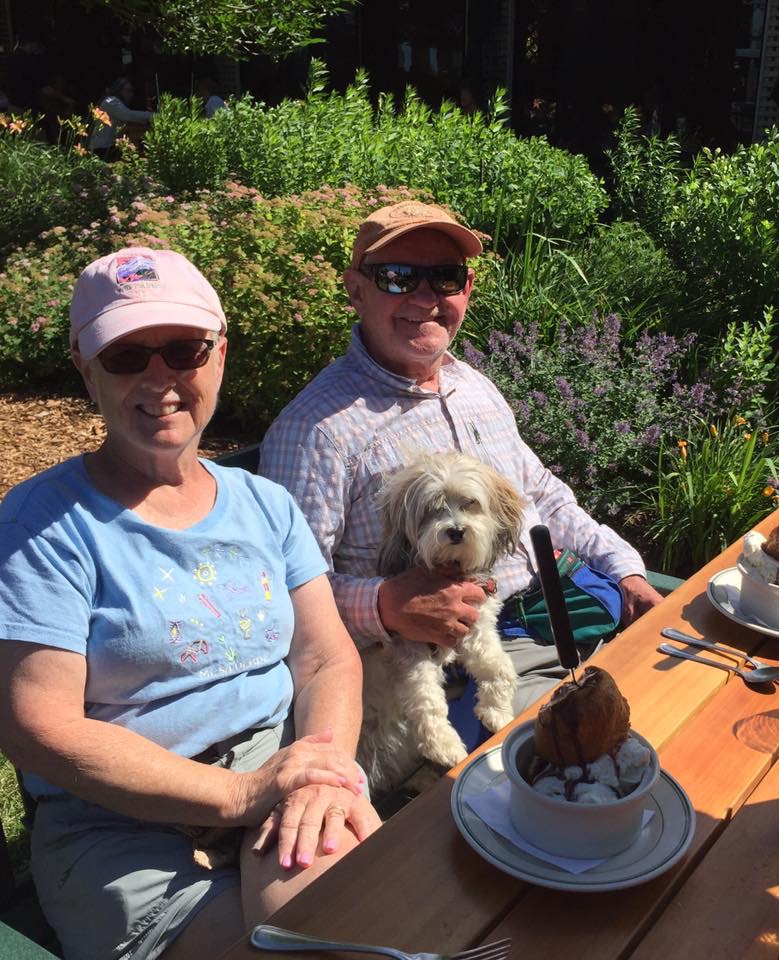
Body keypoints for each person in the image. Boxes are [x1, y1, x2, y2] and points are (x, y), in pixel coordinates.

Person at [0, 248, 380, 960]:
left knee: (363, 926)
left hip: (280, 769)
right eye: (126, 357)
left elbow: (326, 658)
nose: (159, 379)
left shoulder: (266, 506)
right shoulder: (43, 526)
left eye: (182, 350)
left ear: (219, 354)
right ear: (86, 370)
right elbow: (35, 727)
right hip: (121, 826)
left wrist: (320, 767)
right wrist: (239, 796)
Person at [259, 201, 664, 749]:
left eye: (444, 277)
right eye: (398, 277)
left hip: (551, 615)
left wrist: (627, 571)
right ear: (356, 290)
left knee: (669, 698)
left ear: (467, 287)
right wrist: (386, 605)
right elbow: (284, 595)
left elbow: (542, 494)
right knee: (610, 753)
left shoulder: (473, 387)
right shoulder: (316, 430)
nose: (425, 297)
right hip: (447, 667)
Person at [89, 77, 153, 160]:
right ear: (119, 90)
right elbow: (129, 115)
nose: (131, 94)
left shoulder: (113, 102)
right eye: (129, 90)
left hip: (104, 146)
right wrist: (152, 115)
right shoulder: (111, 102)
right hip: (102, 148)